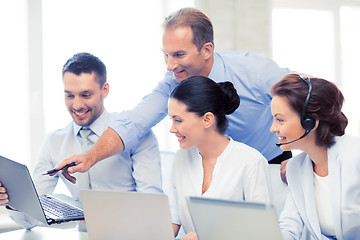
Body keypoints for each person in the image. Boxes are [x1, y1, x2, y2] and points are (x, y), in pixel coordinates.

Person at [55, 7, 291, 183]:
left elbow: (313, 99)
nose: (170, 65)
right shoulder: (173, 82)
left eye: (178, 55)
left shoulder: (255, 72)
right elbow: (134, 122)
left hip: (270, 165)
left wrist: (304, 160)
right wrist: (91, 156)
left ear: (206, 50)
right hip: (213, 171)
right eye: (166, 55)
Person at [0, 52, 162, 229]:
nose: (77, 105)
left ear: (104, 90)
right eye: (69, 95)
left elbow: (153, 208)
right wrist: (15, 202)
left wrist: (105, 217)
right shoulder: (54, 142)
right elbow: (30, 219)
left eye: (86, 95)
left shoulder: (135, 133)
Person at [168, 76, 271, 239]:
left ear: (207, 119)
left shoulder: (251, 162)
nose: (172, 129)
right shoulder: (181, 158)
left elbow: (262, 233)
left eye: (178, 120)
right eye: (171, 120)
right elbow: (172, 219)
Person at [270, 73, 360, 240]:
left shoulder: (355, 155)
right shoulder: (295, 167)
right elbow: (289, 226)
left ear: (310, 122)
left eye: (280, 120)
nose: (273, 128)